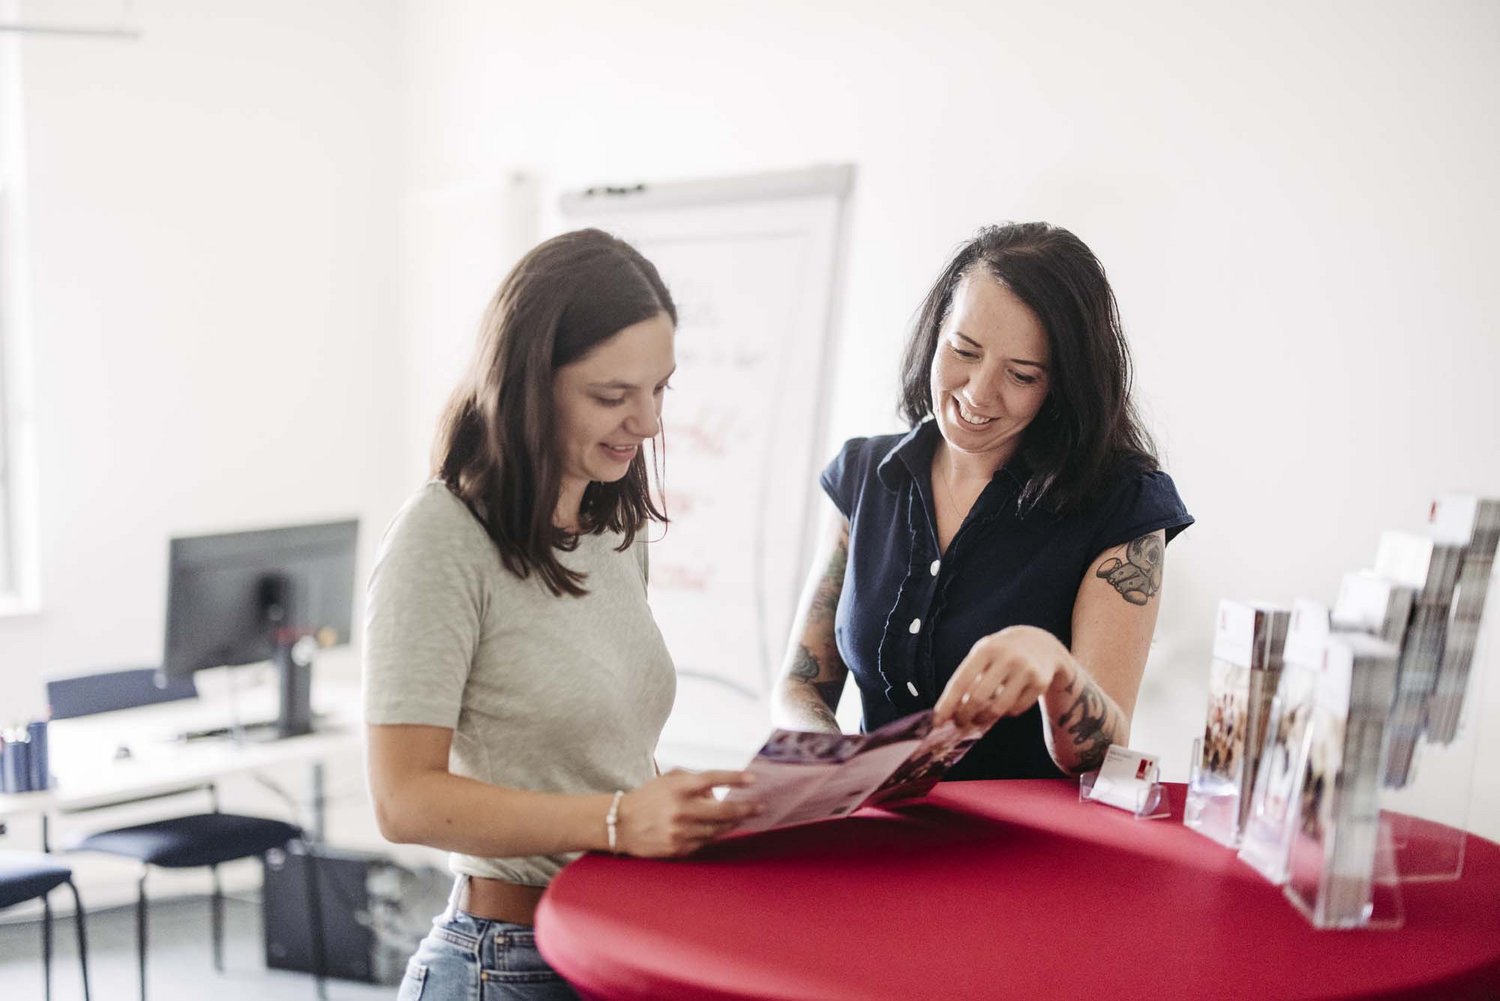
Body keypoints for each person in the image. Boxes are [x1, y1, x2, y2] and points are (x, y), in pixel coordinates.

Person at [364, 229, 759, 1001]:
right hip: (502, 960)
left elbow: (593, 750)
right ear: (527, 383)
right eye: (613, 397)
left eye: (659, 390)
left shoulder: (614, 525)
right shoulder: (442, 535)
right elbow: (402, 798)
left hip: (612, 939)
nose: (645, 423)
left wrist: (671, 813)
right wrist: (615, 820)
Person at [773, 222, 1193, 780]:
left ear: (1063, 386)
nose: (976, 393)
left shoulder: (1121, 504)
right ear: (936, 332)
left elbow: (1102, 756)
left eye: (1021, 375)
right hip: (876, 832)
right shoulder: (866, 476)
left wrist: (1056, 669)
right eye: (964, 351)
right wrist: (833, 764)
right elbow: (803, 681)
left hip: (1023, 855)